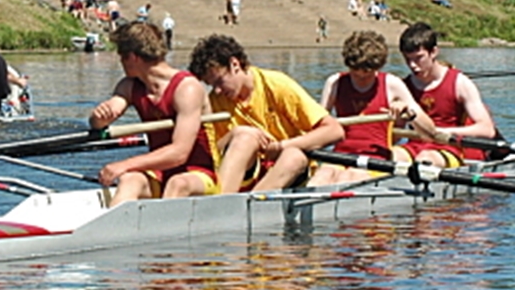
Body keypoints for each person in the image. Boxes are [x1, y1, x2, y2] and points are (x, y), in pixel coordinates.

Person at [187, 34, 344, 193]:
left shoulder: (277, 85)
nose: (217, 91)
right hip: (247, 172)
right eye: (211, 85)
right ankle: (223, 201)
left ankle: (252, 201)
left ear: (235, 65)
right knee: (244, 139)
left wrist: (282, 146)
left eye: (220, 81)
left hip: (287, 170)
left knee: (294, 156)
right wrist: (233, 134)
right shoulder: (215, 101)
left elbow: (334, 130)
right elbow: (211, 154)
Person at [88, 22, 219, 206]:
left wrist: (124, 164)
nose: (120, 62)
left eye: (121, 56)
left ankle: (161, 223)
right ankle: (115, 223)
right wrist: (99, 118)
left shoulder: (186, 88)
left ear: (132, 57)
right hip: (161, 172)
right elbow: (104, 116)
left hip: (200, 173)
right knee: (129, 179)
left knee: (177, 184)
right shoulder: (129, 86)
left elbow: (179, 153)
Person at [309, 30, 440, 186]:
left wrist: (408, 113)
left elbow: (430, 133)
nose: (361, 79)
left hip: (376, 159)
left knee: (349, 177)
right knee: (321, 178)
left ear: (378, 67)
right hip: (340, 156)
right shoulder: (335, 82)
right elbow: (317, 126)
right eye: (355, 74)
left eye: (366, 75)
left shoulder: (392, 84)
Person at [396, 22, 499, 168]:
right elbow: (395, 135)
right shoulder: (402, 86)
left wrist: (441, 132)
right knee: (392, 155)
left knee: (425, 159)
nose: (412, 65)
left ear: (434, 52)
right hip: (414, 146)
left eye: (418, 58)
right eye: (408, 59)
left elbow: (487, 130)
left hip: (448, 147)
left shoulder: (460, 83)